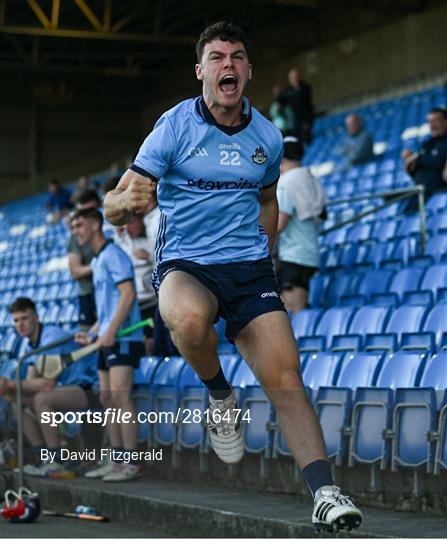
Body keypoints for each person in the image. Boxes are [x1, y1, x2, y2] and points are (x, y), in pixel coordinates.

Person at [103, 21, 362, 530]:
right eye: (218, 57)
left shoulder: (265, 135)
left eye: (237, 57)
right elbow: (117, 201)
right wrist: (120, 203)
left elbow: (268, 198)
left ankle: (326, 493)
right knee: (186, 319)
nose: (228, 65)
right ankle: (221, 394)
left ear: (247, 70)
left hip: (247, 268)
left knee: (286, 378)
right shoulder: (174, 127)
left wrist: (264, 251)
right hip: (187, 264)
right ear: (201, 70)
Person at [71, 208, 144, 482]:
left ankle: (131, 462)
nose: (76, 231)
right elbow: (107, 307)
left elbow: (128, 294)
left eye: (79, 225)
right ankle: (116, 459)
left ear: (93, 224)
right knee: (107, 398)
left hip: (123, 338)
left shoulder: (114, 255)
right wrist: (93, 332)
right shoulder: (99, 259)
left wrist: (111, 330)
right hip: (107, 337)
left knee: (121, 398)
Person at [0, 297, 98, 477]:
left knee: (42, 398)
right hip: (69, 390)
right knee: (17, 399)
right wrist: (10, 390)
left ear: (36, 317)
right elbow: (30, 383)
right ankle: (42, 456)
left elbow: (46, 383)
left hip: (92, 386)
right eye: (16, 320)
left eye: (25, 318)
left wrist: (10, 383)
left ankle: (57, 459)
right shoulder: (29, 342)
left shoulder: (49, 337)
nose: (20, 324)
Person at [277, 136, 326, 314]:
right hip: (309, 252)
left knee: (295, 313)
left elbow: (280, 223)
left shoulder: (285, 182)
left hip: (294, 254)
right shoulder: (310, 177)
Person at [115, 214, 158, 354]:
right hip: (133, 306)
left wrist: (150, 257)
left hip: (152, 303)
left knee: (152, 344)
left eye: (131, 222)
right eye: (125, 224)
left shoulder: (152, 240)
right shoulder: (120, 243)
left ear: (141, 220)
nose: (128, 227)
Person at [67, 189, 101, 330]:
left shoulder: (116, 226)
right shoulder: (75, 237)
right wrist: (99, 264)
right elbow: (75, 271)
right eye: (82, 212)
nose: (86, 217)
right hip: (87, 292)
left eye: (91, 211)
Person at [402, 106, 447, 213]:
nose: (432, 125)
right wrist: (409, 163)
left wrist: (418, 160)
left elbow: (442, 170)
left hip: (436, 196)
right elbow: (413, 171)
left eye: (436, 121)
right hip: (418, 193)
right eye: (430, 122)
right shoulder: (426, 143)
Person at [277, 68, 314, 144]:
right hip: (295, 121)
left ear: (299, 77)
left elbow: (304, 97)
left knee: (307, 140)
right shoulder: (288, 91)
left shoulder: (305, 87)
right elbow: (281, 101)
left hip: (306, 119)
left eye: (295, 77)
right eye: (291, 78)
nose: (293, 79)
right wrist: (278, 94)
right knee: (298, 141)